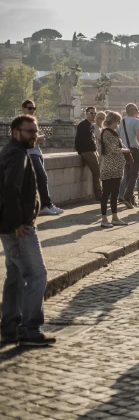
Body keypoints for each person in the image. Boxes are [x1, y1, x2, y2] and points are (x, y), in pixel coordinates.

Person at [0, 115, 56, 346]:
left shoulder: (11, 152)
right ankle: (30, 329)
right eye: (30, 131)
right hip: (19, 227)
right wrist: (18, 223)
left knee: (14, 277)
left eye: (35, 130)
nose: (35, 134)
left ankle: (10, 326)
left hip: (9, 225)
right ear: (16, 132)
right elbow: (10, 190)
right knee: (37, 275)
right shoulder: (16, 155)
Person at [20, 101, 63, 216]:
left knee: (40, 179)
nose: (32, 110)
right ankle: (45, 205)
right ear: (23, 108)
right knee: (41, 177)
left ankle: (47, 205)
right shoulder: (21, 123)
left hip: (37, 152)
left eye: (34, 108)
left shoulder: (32, 121)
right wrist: (38, 138)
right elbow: (25, 139)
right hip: (30, 153)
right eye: (29, 108)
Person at [97, 111, 130, 228]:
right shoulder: (106, 133)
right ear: (113, 121)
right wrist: (127, 151)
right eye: (118, 121)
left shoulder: (114, 133)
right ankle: (104, 218)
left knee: (115, 194)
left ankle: (115, 217)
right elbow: (114, 149)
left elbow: (121, 145)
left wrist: (125, 149)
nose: (119, 124)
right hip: (108, 168)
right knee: (106, 193)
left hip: (117, 168)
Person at [118, 104, 139, 208]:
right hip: (134, 149)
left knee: (128, 173)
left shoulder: (121, 121)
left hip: (124, 150)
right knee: (134, 175)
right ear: (131, 110)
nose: (137, 111)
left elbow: (118, 136)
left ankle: (130, 199)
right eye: (136, 109)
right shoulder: (136, 121)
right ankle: (127, 197)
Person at [75, 106, 102, 201]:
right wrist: (81, 152)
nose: (94, 115)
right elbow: (78, 140)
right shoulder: (83, 125)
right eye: (91, 113)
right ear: (86, 114)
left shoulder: (90, 125)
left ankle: (99, 193)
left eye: (95, 113)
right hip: (87, 151)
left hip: (92, 151)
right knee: (97, 172)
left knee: (98, 172)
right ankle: (99, 195)